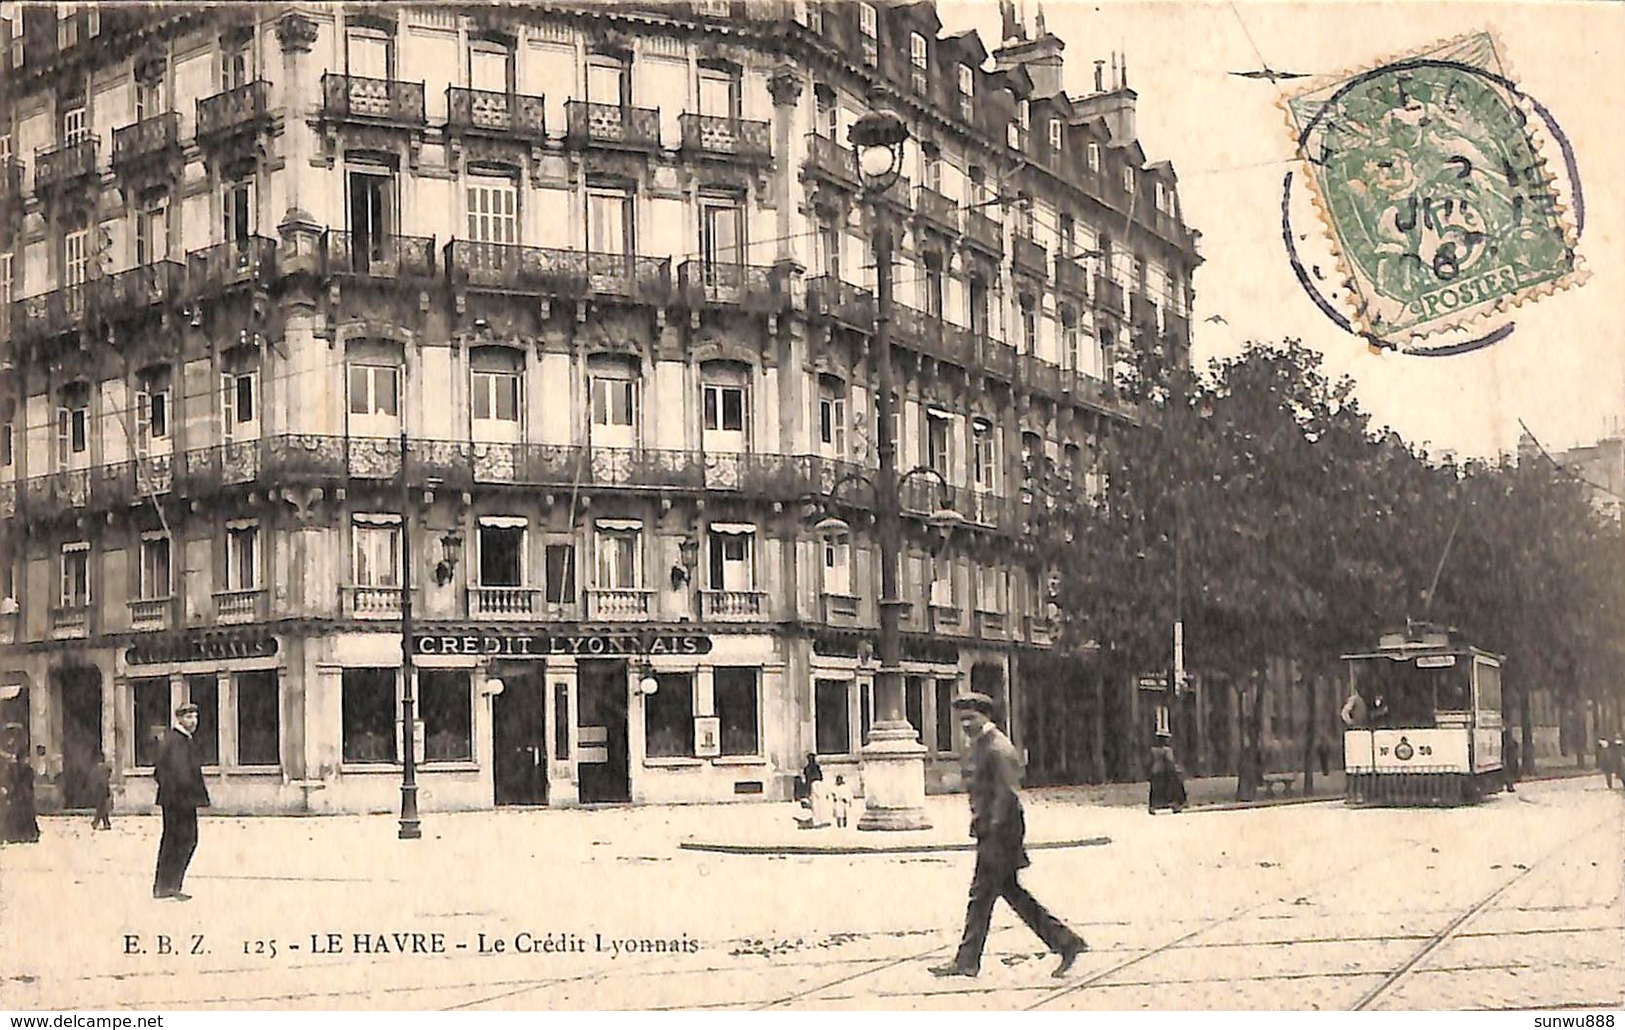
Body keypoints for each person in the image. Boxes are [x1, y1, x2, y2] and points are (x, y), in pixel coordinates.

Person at [930, 692, 1087, 980]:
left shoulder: (997, 748)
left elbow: (1007, 795)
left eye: (970, 717)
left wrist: (992, 829)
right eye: (962, 718)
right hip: (992, 830)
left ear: (985, 716)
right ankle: (1066, 942)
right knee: (1010, 895)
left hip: (1000, 833)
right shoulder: (982, 745)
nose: (965, 724)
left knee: (981, 896)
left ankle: (967, 961)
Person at [153, 703, 210, 900]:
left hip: (177, 799)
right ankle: (167, 886)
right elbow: (176, 773)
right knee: (183, 839)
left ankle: (167, 885)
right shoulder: (176, 741)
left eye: (195, 717)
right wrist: (183, 794)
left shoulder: (180, 740)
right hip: (179, 800)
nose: (193, 721)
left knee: (177, 840)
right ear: (179, 719)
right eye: (189, 717)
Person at [2, 747, 40, 844]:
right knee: (14, 814)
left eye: (27, 758)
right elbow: (9, 781)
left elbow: (30, 785)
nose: (26, 760)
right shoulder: (12, 768)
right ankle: (14, 835)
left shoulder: (29, 770)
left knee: (27, 814)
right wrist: (12, 791)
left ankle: (28, 835)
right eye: (25, 758)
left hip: (25, 797)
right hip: (15, 795)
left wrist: (28, 794)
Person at [1147, 732, 1187, 814]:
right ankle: (1175, 804)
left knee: (1155, 790)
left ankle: (1153, 806)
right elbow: (1170, 761)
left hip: (1155, 771)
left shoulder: (1153, 750)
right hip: (1165, 772)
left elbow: (1149, 761)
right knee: (1173, 788)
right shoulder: (1167, 750)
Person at [90, 752, 113, 830]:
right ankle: (105, 823)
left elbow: (93, 780)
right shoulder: (106, 768)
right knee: (102, 807)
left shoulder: (95, 769)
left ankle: (97, 822)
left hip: (98, 790)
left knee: (100, 807)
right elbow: (109, 773)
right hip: (105, 788)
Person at [1502, 725, 1520, 794]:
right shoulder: (1510, 742)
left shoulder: (1507, 741)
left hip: (1510, 758)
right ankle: (1510, 786)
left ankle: (1509, 785)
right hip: (1511, 758)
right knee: (1510, 773)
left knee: (1509, 773)